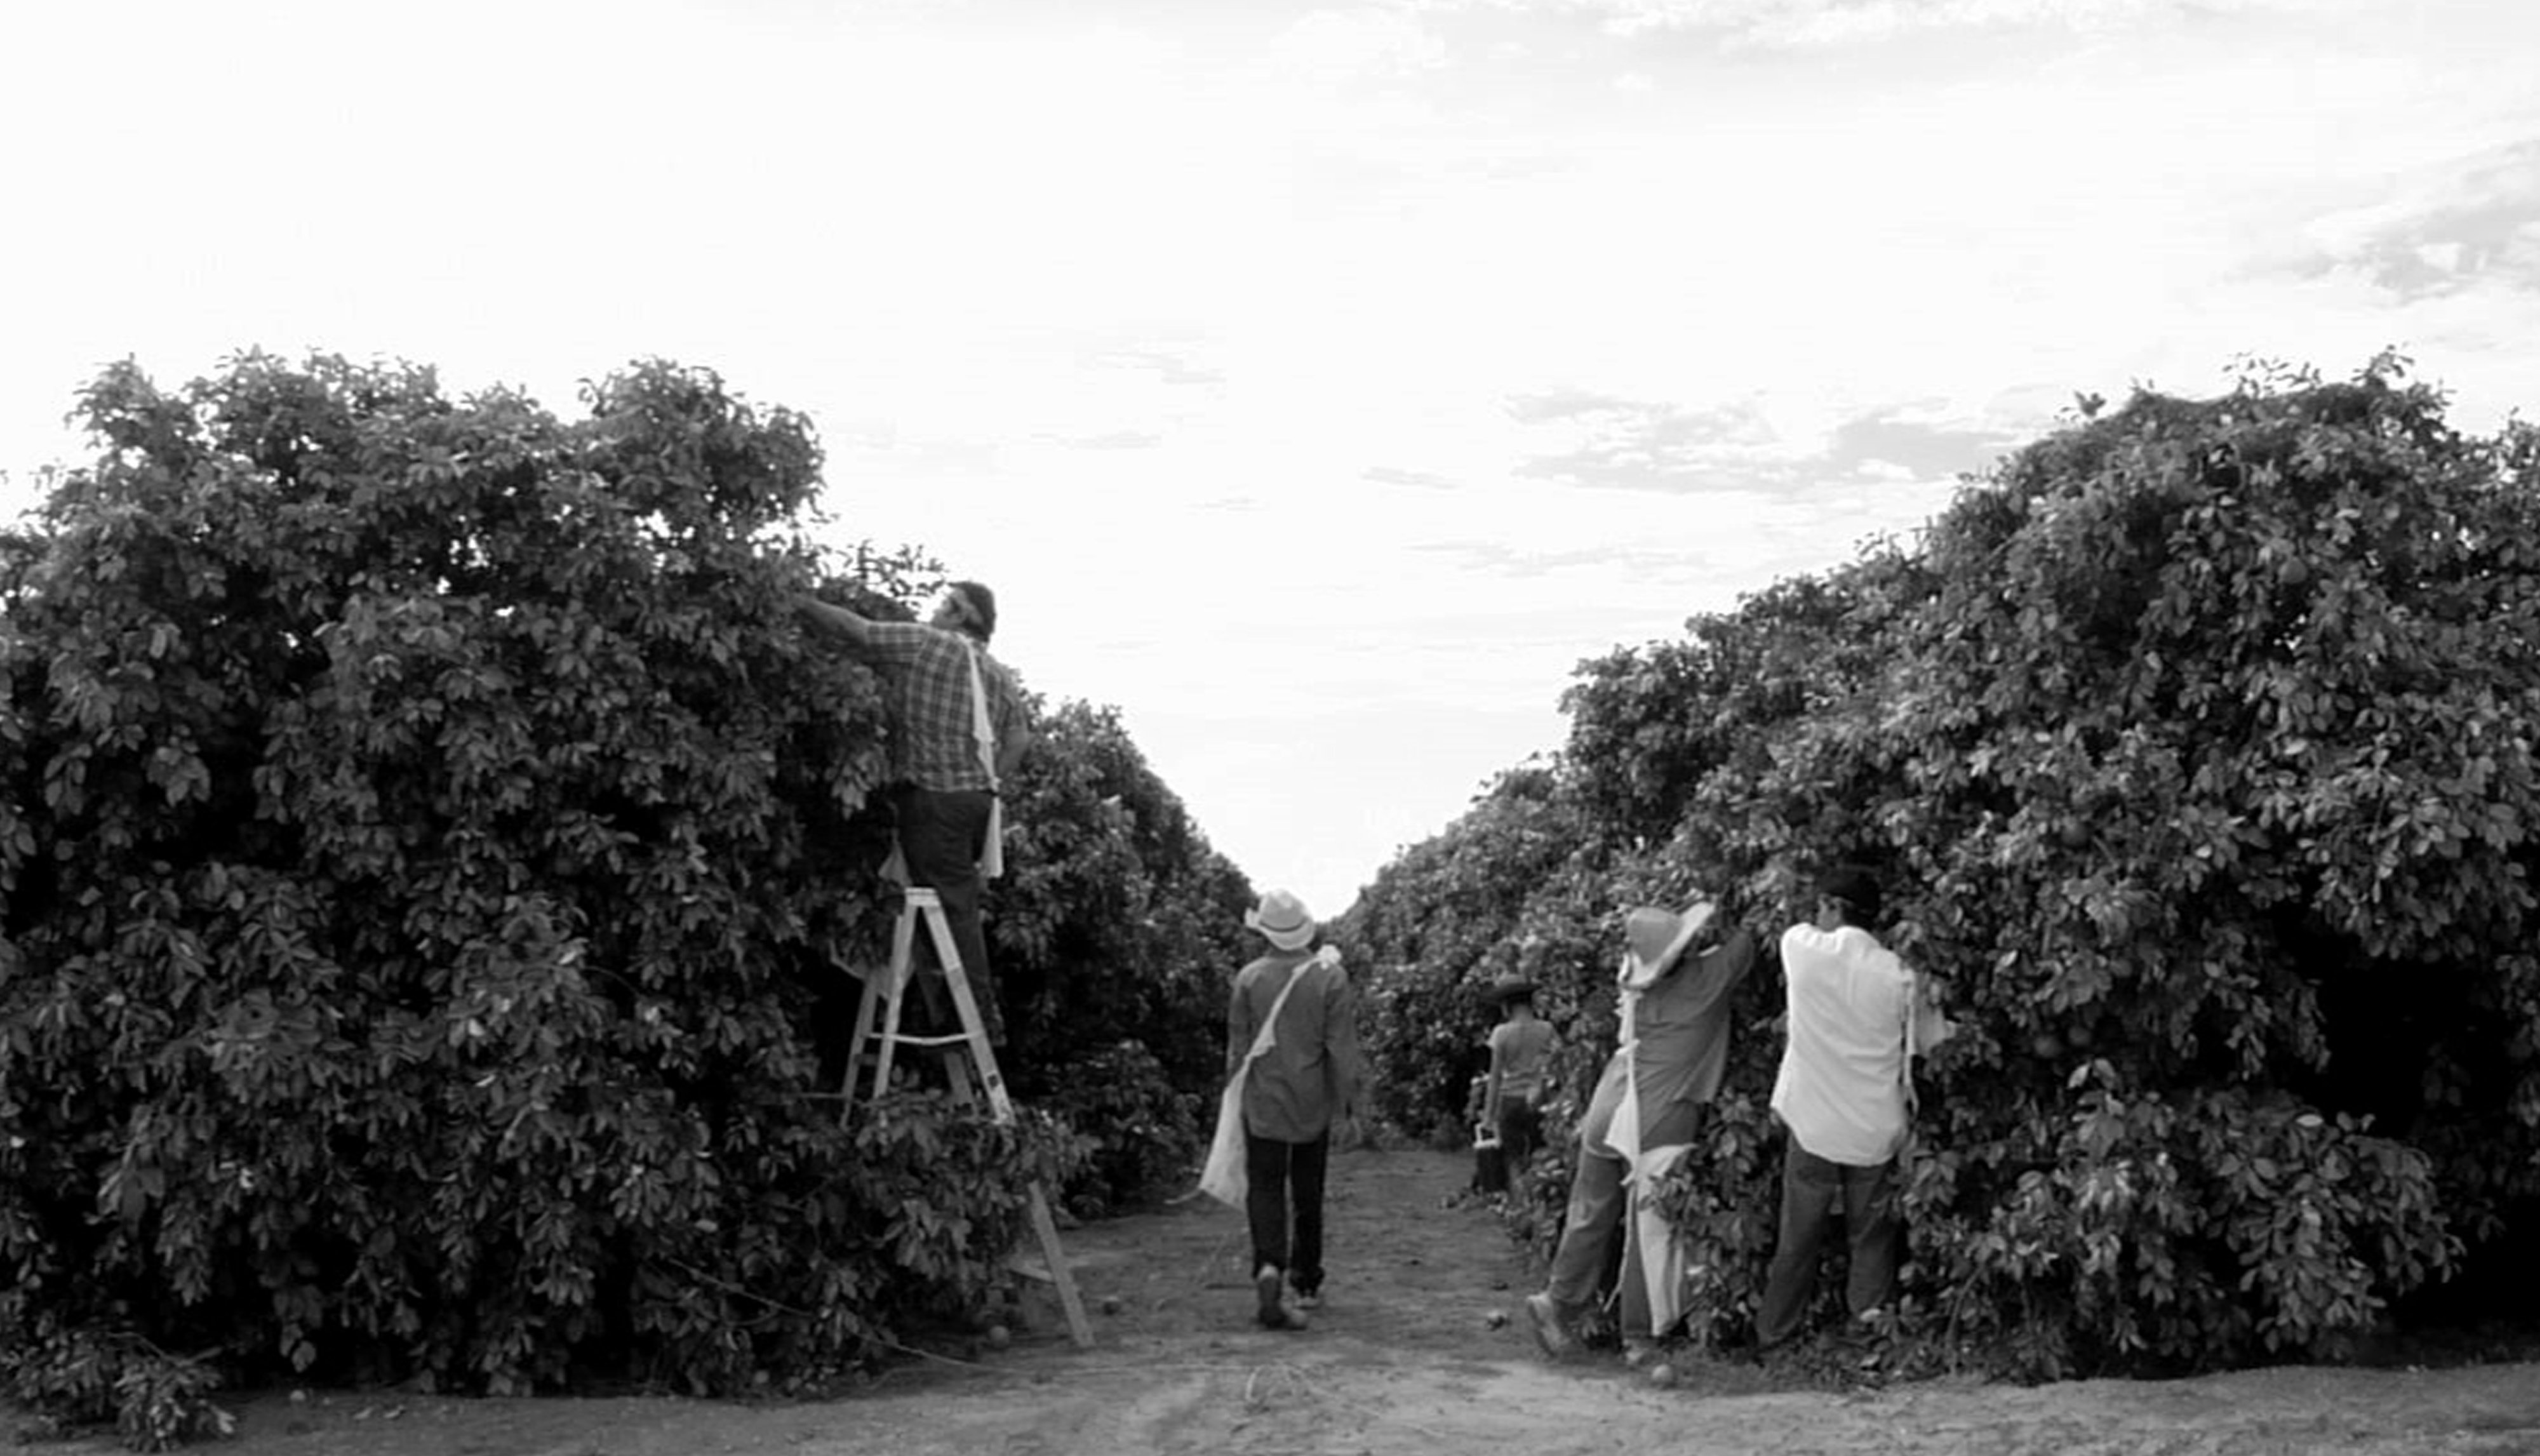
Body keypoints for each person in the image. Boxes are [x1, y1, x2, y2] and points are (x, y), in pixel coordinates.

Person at [794, 580, 1034, 1045]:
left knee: (954, 905)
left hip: (934, 799)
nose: (938, 610)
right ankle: (947, 1011)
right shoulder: (996, 672)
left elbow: (859, 631)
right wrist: (989, 781)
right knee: (939, 900)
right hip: (974, 803)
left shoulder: (931, 645)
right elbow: (1020, 739)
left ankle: (979, 1018)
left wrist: (801, 602)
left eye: (949, 605)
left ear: (963, 618)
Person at [1527, 893, 1758, 1361]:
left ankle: (1559, 1299)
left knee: (1591, 1210)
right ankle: (1639, 1337)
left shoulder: (1632, 982)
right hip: (1658, 1116)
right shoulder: (1705, 980)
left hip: (1610, 1102)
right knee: (1649, 1232)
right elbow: (1747, 942)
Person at [1755, 865, 1949, 1350]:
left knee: (1798, 1237)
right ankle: (1869, 1337)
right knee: (1871, 1240)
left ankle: (1775, 1336)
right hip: (1874, 1127)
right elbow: (1931, 1041)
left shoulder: (1800, 947)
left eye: (1821, 905)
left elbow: (1804, 935)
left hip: (1814, 1122)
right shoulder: (1900, 974)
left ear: (1833, 907)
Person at [1226, 888, 1365, 1332]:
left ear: (1264, 932)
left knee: (1264, 1186)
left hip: (1262, 1100)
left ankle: (1269, 1265)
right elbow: (1340, 1050)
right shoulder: (1330, 977)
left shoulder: (1248, 978)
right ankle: (1306, 1279)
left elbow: (1238, 1049)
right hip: (1312, 1101)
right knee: (1308, 1192)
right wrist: (1351, 1107)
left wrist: (1232, 1099)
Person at [1481, 972, 1556, 1203]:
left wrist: (1488, 1115)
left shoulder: (1501, 1033)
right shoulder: (1547, 1030)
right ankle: (1538, 1202)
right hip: (1539, 1100)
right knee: (1539, 1153)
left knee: (1513, 1156)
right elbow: (1557, 1065)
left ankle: (1518, 1203)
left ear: (1507, 1006)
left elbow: (1495, 1077)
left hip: (1510, 1100)